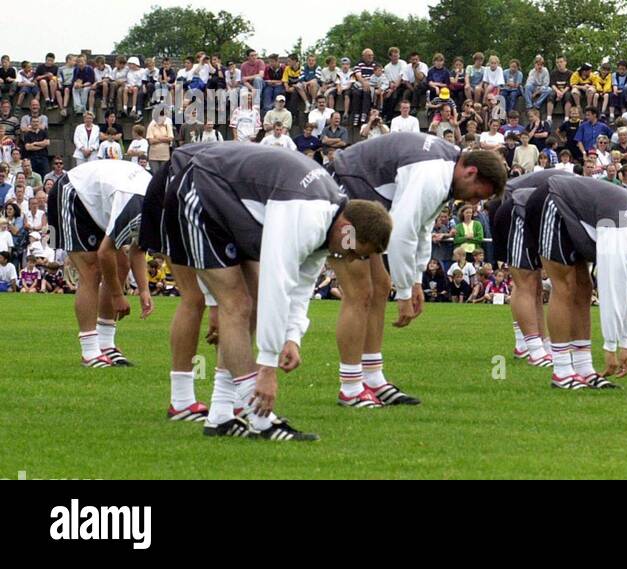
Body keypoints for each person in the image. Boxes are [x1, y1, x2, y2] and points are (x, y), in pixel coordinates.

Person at [156, 143, 393, 441]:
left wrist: (291, 337)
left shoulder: (330, 220)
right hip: (201, 187)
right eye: (357, 251)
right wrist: (266, 367)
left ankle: (220, 414)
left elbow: (301, 285)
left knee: (248, 300)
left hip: (228, 199)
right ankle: (259, 418)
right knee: (238, 303)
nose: (352, 259)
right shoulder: (307, 215)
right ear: (347, 230)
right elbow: (277, 283)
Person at [328, 133, 507, 407]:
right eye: (476, 194)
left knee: (379, 286)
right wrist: (403, 294)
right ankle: (351, 385)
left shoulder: (446, 169)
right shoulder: (433, 174)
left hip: (363, 205)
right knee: (359, 291)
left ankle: (373, 377)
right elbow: (401, 232)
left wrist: (414, 281)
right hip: (342, 199)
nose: (472, 203)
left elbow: (423, 229)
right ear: (471, 172)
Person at [523, 175, 627, 389]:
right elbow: (611, 292)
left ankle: (584, 368)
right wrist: (609, 349)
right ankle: (561, 371)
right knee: (565, 287)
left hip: (576, 214)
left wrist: (625, 346)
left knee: (585, 288)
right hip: (553, 200)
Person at [45, 160, 156, 369]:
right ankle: (89, 352)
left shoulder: (154, 206)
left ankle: (105, 344)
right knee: (92, 271)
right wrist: (117, 296)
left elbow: (138, 248)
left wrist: (143, 290)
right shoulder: (136, 205)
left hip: (99, 202)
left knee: (121, 265)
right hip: (74, 193)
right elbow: (105, 253)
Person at [486, 169, 576, 367]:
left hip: (526, 213)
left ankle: (535, 344)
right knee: (526, 282)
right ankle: (532, 347)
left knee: (533, 285)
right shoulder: (573, 191)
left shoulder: (574, 189)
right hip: (515, 211)